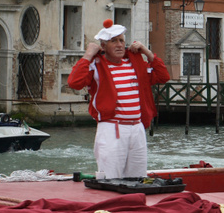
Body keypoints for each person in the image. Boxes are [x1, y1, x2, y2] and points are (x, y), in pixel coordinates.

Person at [68, 19, 170, 178]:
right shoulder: (95, 65)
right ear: (103, 46)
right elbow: (74, 82)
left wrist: (147, 52)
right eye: (113, 41)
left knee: (138, 177)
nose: (119, 45)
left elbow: (163, 76)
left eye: (121, 40)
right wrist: (88, 55)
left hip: (137, 127)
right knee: (110, 177)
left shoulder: (135, 63)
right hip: (111, 127)